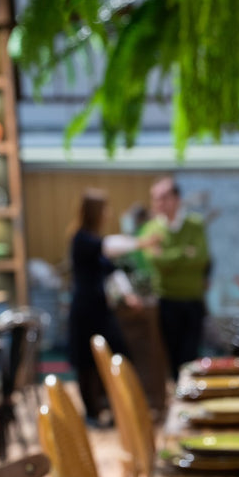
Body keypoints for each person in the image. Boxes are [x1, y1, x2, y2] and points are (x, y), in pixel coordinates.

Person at [67, 188, 159, 426]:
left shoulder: (94, 240)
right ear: (95, 211)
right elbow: (107, 246)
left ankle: (111, 405)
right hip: (85, 310)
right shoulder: (82, 239)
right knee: (87, 362)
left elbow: (112, 270)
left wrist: (129, 295)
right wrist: (141, 242)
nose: (108, 213)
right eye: (105, 208)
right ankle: (91, 411)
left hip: (100, 309)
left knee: (116, 354)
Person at [141, 177, 210, 379]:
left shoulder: (195, 225)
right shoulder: (152, 229)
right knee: (171, 356)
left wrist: (169, 256)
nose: (159, 203)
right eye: (155, 199)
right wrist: (183, 254)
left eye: (164, 198)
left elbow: (201, 258)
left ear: (177, 199)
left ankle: (191, 395)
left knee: (191, 355)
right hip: (166, 301)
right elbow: (156, 263)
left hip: (193, 300)